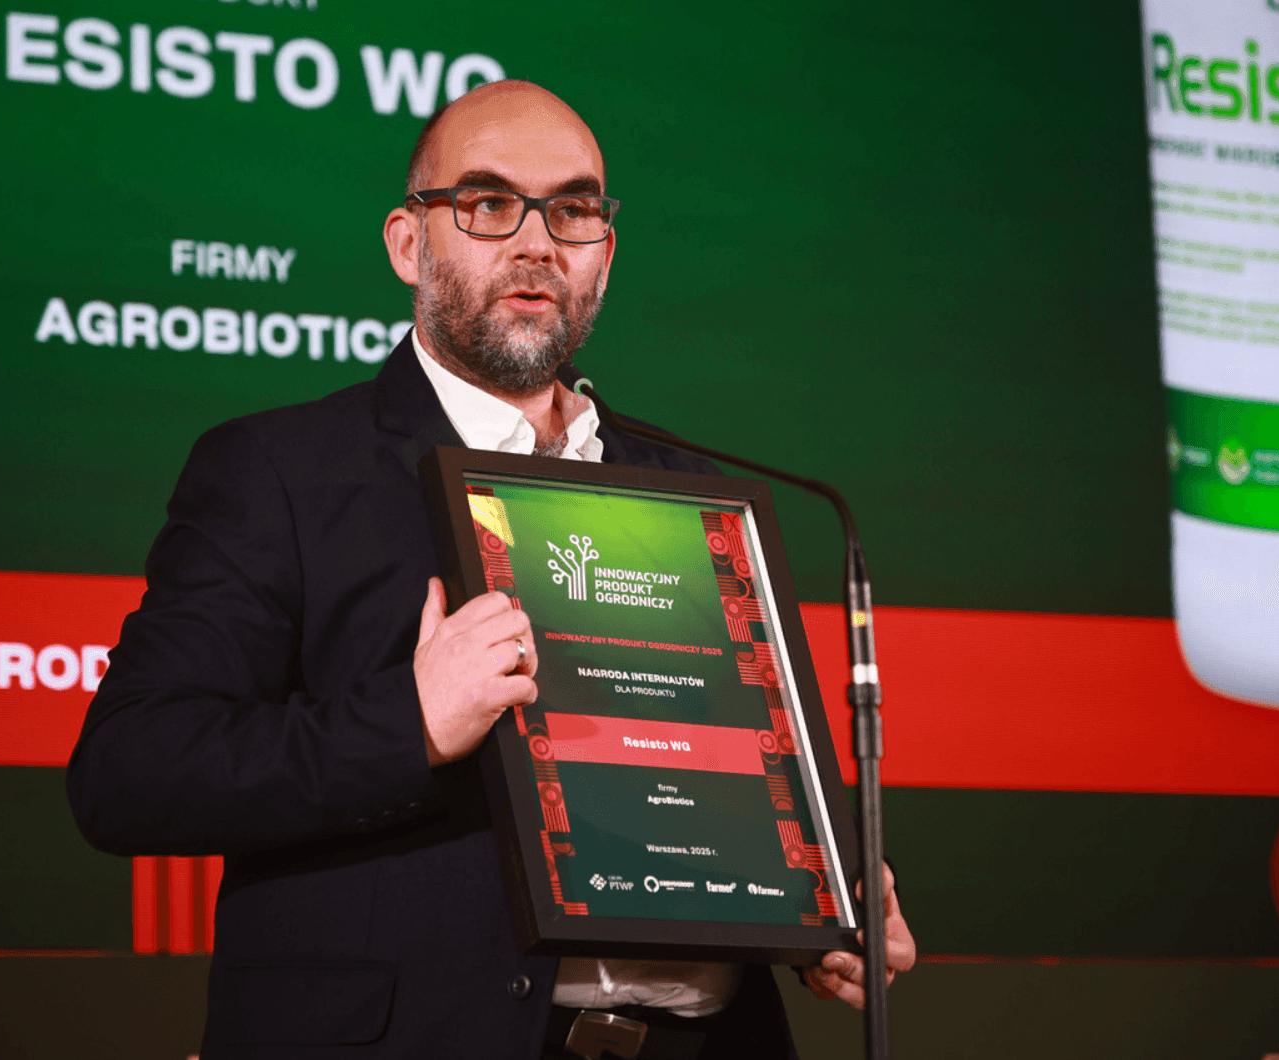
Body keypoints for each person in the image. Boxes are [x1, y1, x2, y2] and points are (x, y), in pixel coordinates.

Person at [67, 79, 914, 1060]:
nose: (537, 241)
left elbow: (727, 788)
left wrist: (821, 899)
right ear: (407, 243)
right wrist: (412, 722)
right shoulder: (278, 472)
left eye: (574, 210)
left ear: (605, 253)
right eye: (487, 203)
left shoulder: (693, 493)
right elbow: (129, 774)